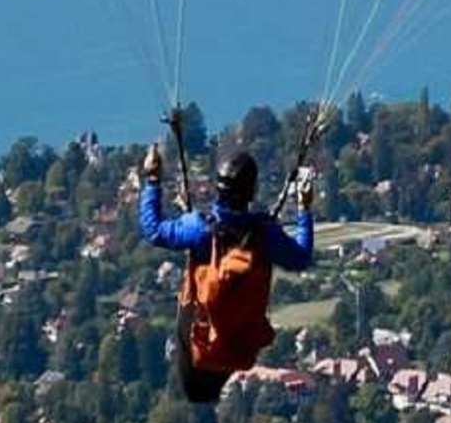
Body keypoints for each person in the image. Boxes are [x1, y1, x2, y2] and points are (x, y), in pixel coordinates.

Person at [134, 117, 315, 403]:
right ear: (252, 191)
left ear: (218, 189)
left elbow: (153, 229)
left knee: (196, 389)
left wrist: (152, 179)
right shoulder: (264, 233)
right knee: (206, 384)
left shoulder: (199, 228)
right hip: (239, 348)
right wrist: (305, 209)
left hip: (201, 342)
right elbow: (301, 257)